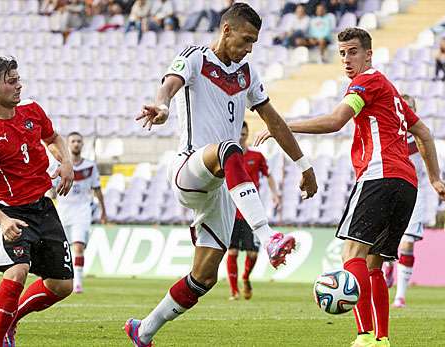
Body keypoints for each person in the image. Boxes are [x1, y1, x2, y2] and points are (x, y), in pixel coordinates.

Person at [124, 4, 318, 346]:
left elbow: (274, 121)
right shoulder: (196, 58)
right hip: (190, 169)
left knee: (204, 277)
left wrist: (304, 166)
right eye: (245, 39)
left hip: (220, 190)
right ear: (226, 30)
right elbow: (169, 84)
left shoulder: (247, 73)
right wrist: (163, 105)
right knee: (230, 147)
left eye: (254, 42)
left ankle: (144, 330)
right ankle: (268, 236)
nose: (249, 48)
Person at [255, 28, 445, 347]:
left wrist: (281, 125)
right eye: (342, 54)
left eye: (352, 52)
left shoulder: (367, 81)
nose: (347, 60)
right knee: (374, 264)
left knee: (352, 255)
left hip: (379, 176)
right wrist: (434, 178)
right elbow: (424, 132)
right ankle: (381, 339)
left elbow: (336, 121)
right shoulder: (390, 90)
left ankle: (363, 336)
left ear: (368, 54)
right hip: (406, 184)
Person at [0, 56, 75, 347]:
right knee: (17, 271)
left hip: (43, 205)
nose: (19, 85)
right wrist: (2, 220)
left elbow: (54, 138)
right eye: (11, 81)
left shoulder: (32, 110)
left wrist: (66, 162)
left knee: (62, 286)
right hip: (9, 212)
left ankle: (11, 319)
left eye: (18, 78)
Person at [379, 95, 429, 308]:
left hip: (416, 191)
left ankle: (400, 296)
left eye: (410, 108)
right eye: (403, 107)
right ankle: (389, 264)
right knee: (385, 244)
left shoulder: (419, 134)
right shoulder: (389, 133)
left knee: (407, 244)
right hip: (392, 192)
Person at [227, 121, 281, 301]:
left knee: (252, 253)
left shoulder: (256, 156)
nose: (241, 137)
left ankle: (245, 277)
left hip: (251, 213)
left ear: (247, 134)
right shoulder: (228, 157)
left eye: (244, 134)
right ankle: (234, 291)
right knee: (232, 252)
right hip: (232, 213)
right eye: (239, 134)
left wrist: (275, 194)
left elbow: (269, 175)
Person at [55, 132, 107, 294]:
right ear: (68, 145)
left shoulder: (90, 167)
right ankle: (60, 278)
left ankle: (77, 282)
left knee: (78, 247)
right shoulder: (60, 166)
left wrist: (103, 212)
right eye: (73, 141)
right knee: (60, 248)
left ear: (82, 144)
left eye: (79, 141)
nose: (76, 144)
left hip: (82, 210)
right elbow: (51, 189)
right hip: (63, 209)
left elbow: (97, 188)